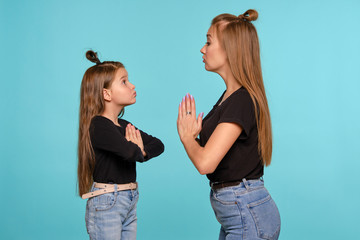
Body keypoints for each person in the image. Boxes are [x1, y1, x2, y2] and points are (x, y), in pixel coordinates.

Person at [177, 9, 281, 240]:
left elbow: (206, 163)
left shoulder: (242, 100)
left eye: (208, 42)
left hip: (247, 213)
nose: (202, 49)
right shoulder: (229, 98)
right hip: (240, 213)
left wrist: (186, 138)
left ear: (230, 49)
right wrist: (193, 138)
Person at [77, 50, 164, 239]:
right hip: (108, 201)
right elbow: (129, 152)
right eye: (124, 81)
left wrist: (141, 151)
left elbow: (158, 144)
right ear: (106, 94)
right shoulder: (98, 125)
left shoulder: (124, 126)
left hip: (129, 199)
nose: (132, 85)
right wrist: (138, 150)